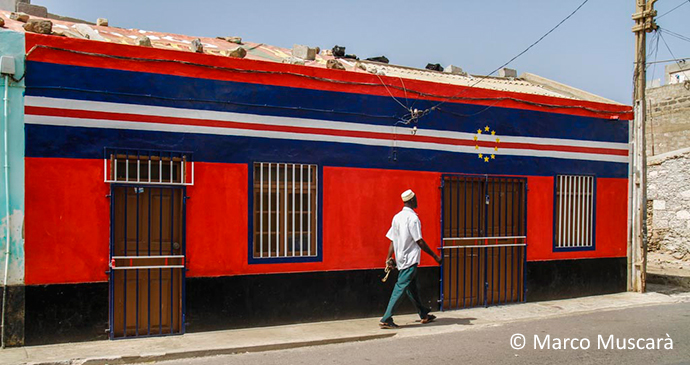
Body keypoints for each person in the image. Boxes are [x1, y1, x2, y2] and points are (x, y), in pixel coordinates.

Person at [379, 189, 442, 329]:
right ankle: (386, 318)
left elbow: (392, 240)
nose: (417, 201)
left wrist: (389, 257)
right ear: (412, 200)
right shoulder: (413, 219)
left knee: (411, 288)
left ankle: (423, 313)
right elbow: (419, 241)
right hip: (410, 259)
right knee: (401, 287)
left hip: (401, 258)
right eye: (416, 198)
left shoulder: (397, 217)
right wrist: (435, 256)